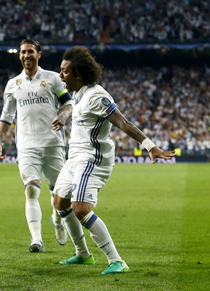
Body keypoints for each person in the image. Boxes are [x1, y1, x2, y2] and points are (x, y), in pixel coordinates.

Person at [54, 46, 176, 274]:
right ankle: (82, 254)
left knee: (80, 208)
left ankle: (117, 261)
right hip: (75, 158)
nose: (61, 75)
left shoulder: (97, 96)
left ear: (78, 73)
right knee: (60, 202)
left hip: (92, 160)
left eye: (65, 71)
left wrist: (149, 146)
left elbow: (123, 123)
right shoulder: (78, 95)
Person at [0, 38, 74, 252]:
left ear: (39, 55)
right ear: (19, 55)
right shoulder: (13, 84)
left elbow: (68, 102)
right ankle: (36, 239)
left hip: (52, 144)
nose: (26, 55)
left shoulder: (52, 78)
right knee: (31, 190)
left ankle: (57, 221)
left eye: (30, 51)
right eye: (23, 52)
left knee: (60, 195)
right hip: (27, 145)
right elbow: (7, 115)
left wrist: (64, 115)